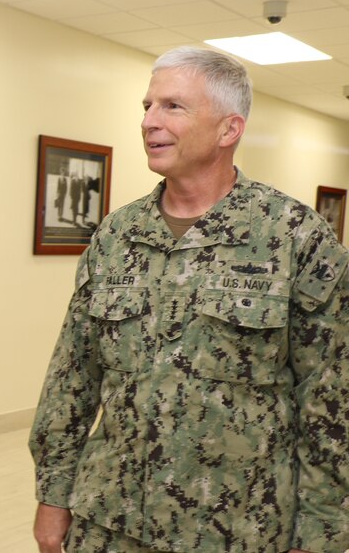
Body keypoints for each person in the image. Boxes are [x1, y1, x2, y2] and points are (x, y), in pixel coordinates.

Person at [29, 46, 349, 553]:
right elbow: (71, 378)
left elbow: (331, 399)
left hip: (240, 527)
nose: (149, 121)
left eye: (172, 106)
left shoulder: (293, 236)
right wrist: (52, 495)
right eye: (147, 106)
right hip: (109, 520)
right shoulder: (116, 235)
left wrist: (320, 532)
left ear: (229, 129)